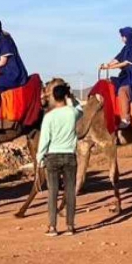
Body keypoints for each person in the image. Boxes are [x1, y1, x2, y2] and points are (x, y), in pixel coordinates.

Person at [36, 81, 82, 236]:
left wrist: (39, 158)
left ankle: (52, 227)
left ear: (54, 98)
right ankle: (70, 226)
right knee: (70, 192)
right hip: (70, 156)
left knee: (53, 193)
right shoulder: (72, 113)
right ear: (65, 96)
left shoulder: (49, 117)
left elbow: (44, 139)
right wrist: (71, 99)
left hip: (52, 157)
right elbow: (80, 109)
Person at [99, 27, 132, 129]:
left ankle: (126, 119)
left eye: (123, 37)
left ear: (127, 37)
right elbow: (118, 58)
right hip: (126, 76)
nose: (122, 39)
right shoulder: (126, 48)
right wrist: (107, 64)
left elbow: (125, 63)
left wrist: (109, 67)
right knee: (110, 84)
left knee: (122, 91)